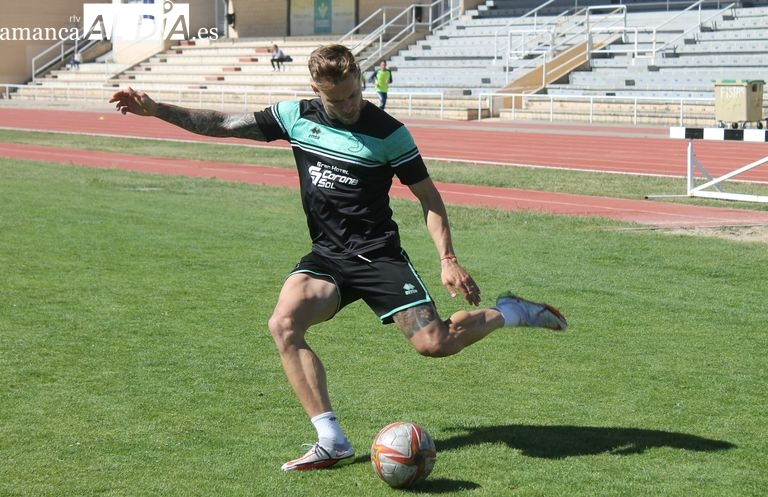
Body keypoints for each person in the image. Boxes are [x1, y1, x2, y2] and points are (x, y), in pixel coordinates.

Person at [109, 43, 567, 473]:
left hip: (378, 258)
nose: (350, 105)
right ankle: (331, 439)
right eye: (339, 99)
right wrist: (158, 110)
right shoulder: (294, 116)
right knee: (283, 325)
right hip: (328, 257)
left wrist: (447, 258)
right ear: (316, 91)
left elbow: (429, 198)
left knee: (435, 344)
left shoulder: (389, 133)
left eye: (354, 94)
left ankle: (510, 311)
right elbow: (223, 124)